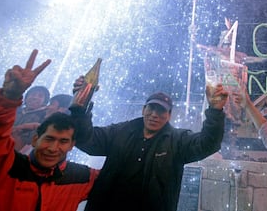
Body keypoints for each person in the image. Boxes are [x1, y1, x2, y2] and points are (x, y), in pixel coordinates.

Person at [71, 76, 229, 211]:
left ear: (169, 115)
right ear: (143, 109)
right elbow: (87, 141)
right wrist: (80, 108)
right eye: (151, 108)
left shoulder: (178, 141)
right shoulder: (120, 131)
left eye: (161, 111)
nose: (154, 115)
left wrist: (215, 112)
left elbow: (208, 143)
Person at [0, 49, 99, 211]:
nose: (52, 149)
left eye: (63, 141)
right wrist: (9, 97)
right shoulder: (9, 165)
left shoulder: (82, 177)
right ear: (35, 138)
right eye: (49, 139)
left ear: (72, 144)